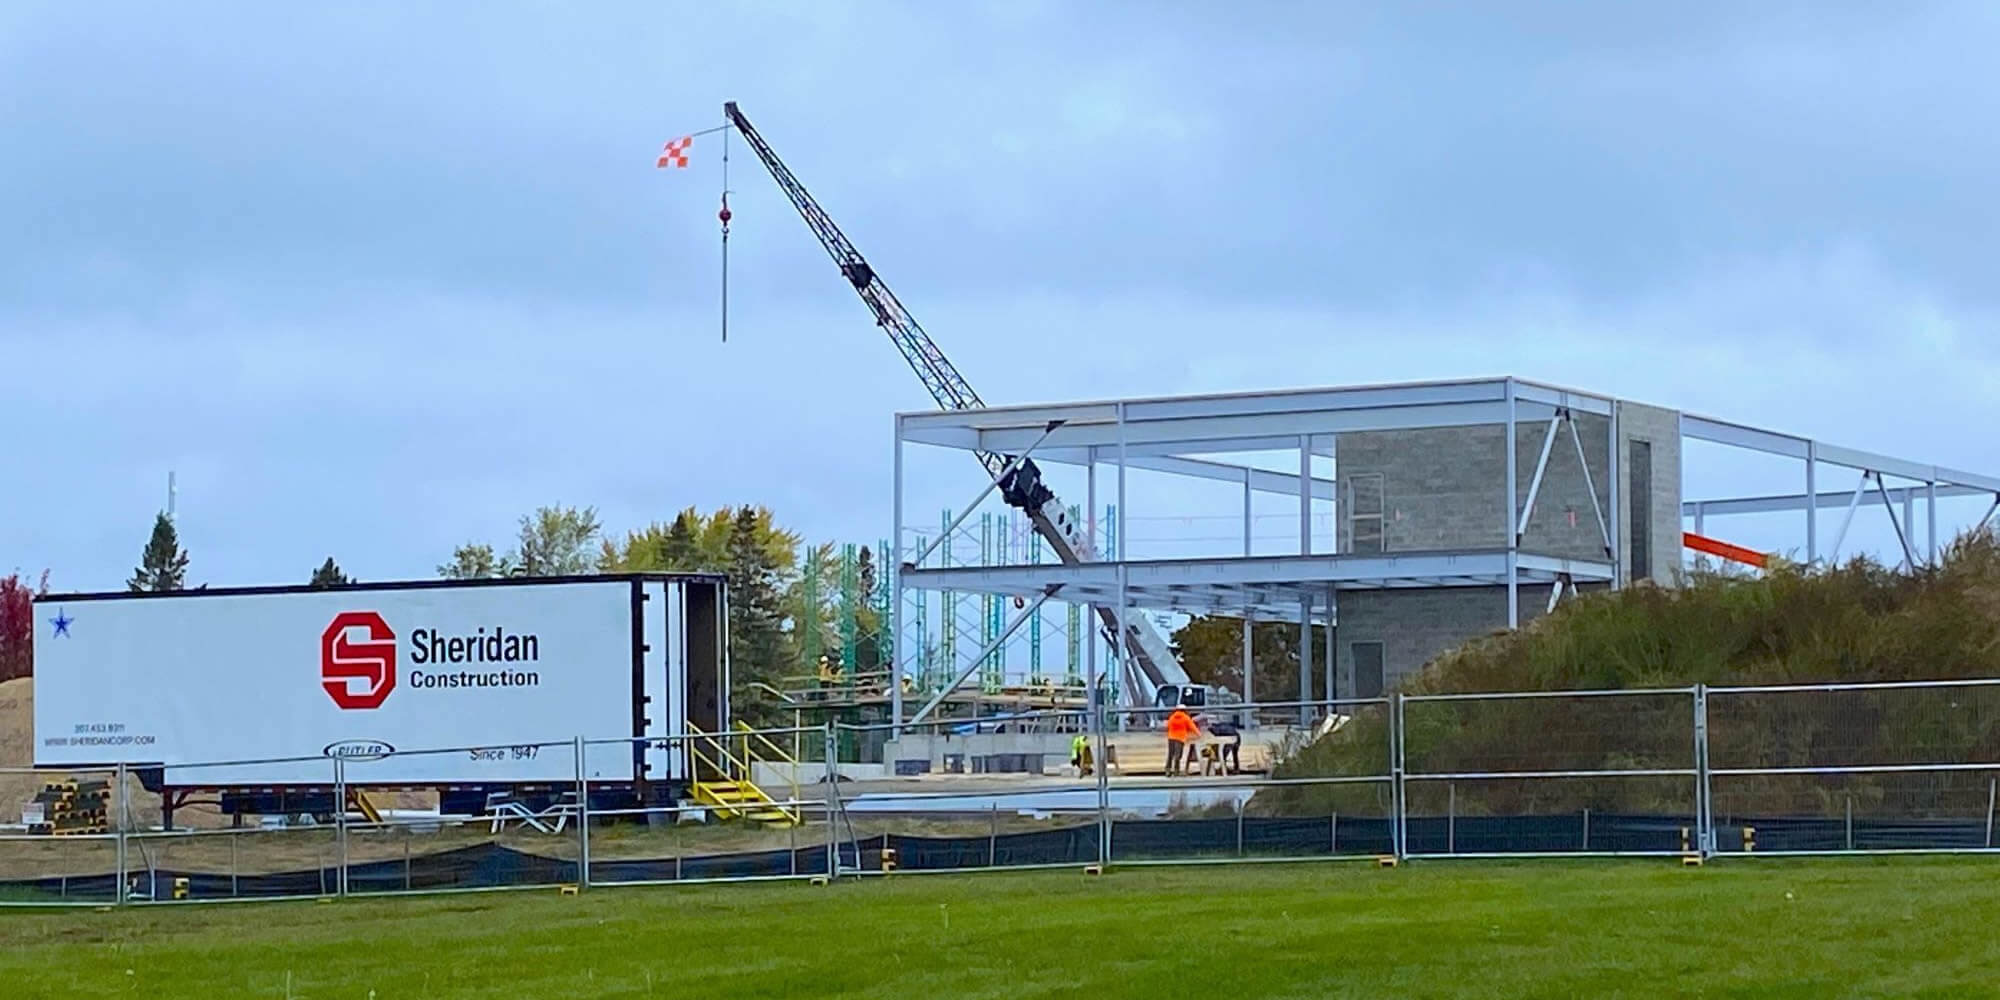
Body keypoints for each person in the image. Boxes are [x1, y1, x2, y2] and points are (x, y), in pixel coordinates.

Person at [1164, 706, 1199, 776]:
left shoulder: (1172, 717)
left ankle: (1168, 770)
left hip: (1171, 737)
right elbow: (1192, 726)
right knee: (1178, 755)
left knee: (1170, 754)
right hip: (1180, 738)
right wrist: (1199, 734)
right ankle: (1176, 771)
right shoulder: (1185, 717)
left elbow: (1168, 726)